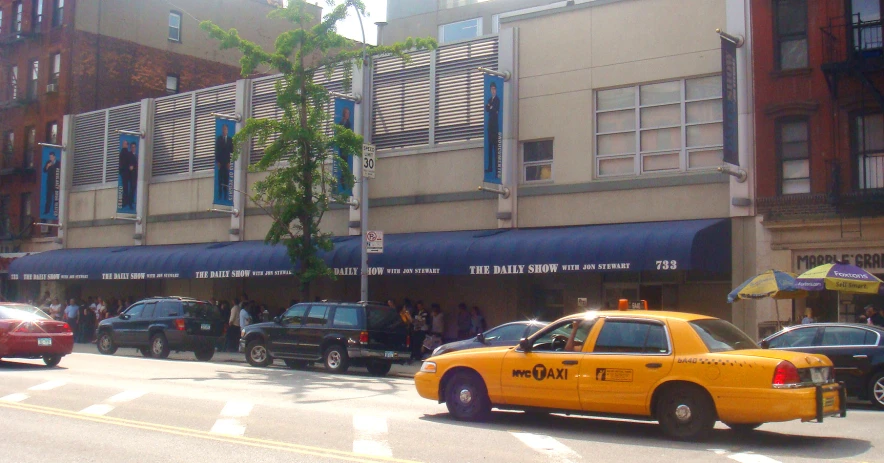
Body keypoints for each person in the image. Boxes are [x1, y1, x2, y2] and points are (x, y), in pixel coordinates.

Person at [484, 81, 500, 174]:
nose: (493, 91)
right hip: (490, 127)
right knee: (489, 147)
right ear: (490, 90)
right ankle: (490, 167)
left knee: (496, 148)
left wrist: (491, 108)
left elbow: (495, 109)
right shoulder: (490, 100)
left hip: (495, 127)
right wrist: (491, 108)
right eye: (492, 89)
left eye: (494, 89)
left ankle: (497, 168)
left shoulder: (497, 100)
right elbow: (487, 109)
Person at [215, 123, 234, 201]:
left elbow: (232, 151)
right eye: (223, 129)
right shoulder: (219, 139)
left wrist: (230, 162)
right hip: (220, 163)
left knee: (226, 180)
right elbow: (216, 151)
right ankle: (219, 195)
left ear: (227, 130)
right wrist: (218, 161)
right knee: (220, 179)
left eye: (225, 129)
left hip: (227, 163)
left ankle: (226, 195)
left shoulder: (230, 140)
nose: (224, 130)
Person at [43, 151, 59, 215]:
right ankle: (47, 211)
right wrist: (47, 166)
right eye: (50, 157)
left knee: (56, 197)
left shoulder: (58, 163)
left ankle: (55, 211)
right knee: (48, 198)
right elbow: (44, 170)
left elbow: (60, 172)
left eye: (52, 157)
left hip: (56, 182)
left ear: (54, 157)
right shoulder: (48, 163)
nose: (51, 158)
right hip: (49, 183)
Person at [118, 141, 132, 209]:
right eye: (126, 144)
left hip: (124, 173)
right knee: (126, 188)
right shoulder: (125, 153)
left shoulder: (122, 153)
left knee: (125, 188)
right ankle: (126, 201)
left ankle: (125, 201)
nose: (127, 145)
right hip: (126, 173)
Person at [127, 142, 138, 208]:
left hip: (136, 175)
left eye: (134, 147)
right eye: (132, 147)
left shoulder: (136, 155)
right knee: (131, 188)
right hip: (131, 175)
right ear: (131, 148)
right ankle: (130, 202)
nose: (133, 148)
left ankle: (132, 200)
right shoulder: (129, 155)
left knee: (134, 188)